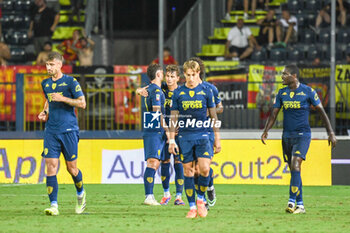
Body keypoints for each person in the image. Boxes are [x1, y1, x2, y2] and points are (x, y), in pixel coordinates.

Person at [261, 64, 336, 214]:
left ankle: (291, 201)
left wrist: (331, 133)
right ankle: (300, 205)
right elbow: (274, 114)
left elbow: (321, 112)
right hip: (287, 136)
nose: (282, 76)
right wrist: (266, 131)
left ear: (294, 76)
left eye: (285, 74)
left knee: (295, 165)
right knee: (294, 170)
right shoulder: (282, 93)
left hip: (303, 135)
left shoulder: (308, 91)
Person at [169, 60, 221, 218]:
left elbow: (214, 116)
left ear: (198, 73)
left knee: (204, 169)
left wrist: (217, 139)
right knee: (188, 171)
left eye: (193, 74)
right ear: (184, 75)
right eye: (188, 75)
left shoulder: (207, 90)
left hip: (203, 135)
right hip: (185, 137)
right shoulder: (178, 93)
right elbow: (173, 118)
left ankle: (200, 199)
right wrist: (171, 140)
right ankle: (192, 207)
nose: (190, 78)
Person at [38, 52, 87, 216]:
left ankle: (81, 194)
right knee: (50, 166)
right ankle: (53, 205)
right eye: (47, 64)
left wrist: (63, 98)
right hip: (51, 131)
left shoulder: (70, 82)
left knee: (71, 169)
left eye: (51, 64)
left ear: (60, 65)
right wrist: (44, 112)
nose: (48, 67)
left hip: (69, 130)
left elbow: (82, 103)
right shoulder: (45, 83)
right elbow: (49, 101)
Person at [136, 65, 185, 206]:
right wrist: (139, 90)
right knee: (161, 162)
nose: (168, 78)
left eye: (172, 76)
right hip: (161, 130)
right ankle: (163, 194)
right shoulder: (160, 89)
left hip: (174, 131)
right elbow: (156, 110)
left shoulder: (182, 92)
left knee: (177, 162)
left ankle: (179, 196)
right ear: (160, 75)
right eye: (166, 75)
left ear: (177, 78)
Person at [189, 57, 223, 208]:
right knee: (194, 169)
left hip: (207, 132)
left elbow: (220, 107)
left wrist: (210, 111)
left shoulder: (210, 89)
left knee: (203, 167)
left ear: (199, 71)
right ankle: (200, 200)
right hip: (189, 132)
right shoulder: (185, 90)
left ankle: (209, 187)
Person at [142, 64, 169, 206]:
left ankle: (150, 196)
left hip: (153, 130)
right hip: (154, 130)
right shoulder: (157, 91)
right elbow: (157, 112)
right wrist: (167, 129)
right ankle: (149, 196)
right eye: (162, 73)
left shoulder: (149, 89)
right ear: (158, 74)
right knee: (152, 163)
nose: (164, 75)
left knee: (156, 162)